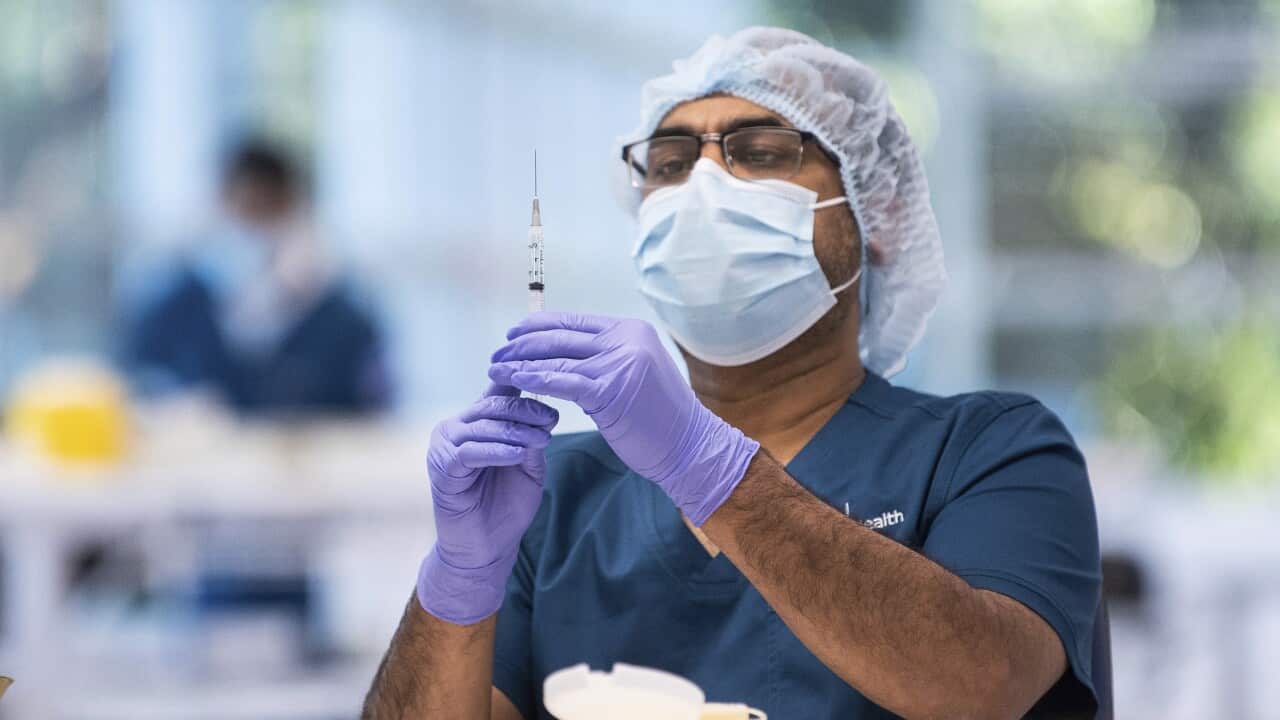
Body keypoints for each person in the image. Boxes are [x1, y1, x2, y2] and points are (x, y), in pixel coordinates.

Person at [364, 28, 1104, 719]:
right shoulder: (555, 497)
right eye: (671, 163)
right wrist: (457, 583)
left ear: (874, 214)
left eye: (760, 151)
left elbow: (981, 685)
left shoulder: (989, 452)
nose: (703, 188)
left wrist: (702, 463)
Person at [121, 139, 390, 415]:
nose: (255, 228)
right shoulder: (171, 305)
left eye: (270, 210)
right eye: (247, 208)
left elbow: (371, 411)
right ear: (220, 206)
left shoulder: (343, 318)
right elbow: (136, 384)